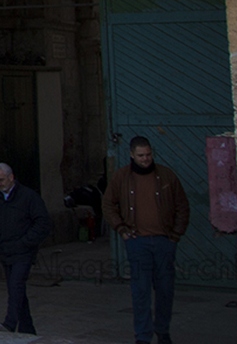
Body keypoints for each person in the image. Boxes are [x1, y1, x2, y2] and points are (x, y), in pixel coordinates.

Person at [103, 136, 189, 344]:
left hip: (164, 240)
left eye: (148, 155)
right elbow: (108, 205)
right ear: (132, 155)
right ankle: (143, 336)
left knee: (165, 290)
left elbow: (182, 206)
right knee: (140, 291)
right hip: (137, 241)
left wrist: (175, 235)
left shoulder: (166, 176)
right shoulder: (121, 177)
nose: (145, 159)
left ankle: (163, 331)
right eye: (141, 155)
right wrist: (121, 229)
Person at [0, 163, 52, 334]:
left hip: (23, 251)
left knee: (16, 285)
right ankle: (27, 329)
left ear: (11, 177)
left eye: (1, 180)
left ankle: (9, 323)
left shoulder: (28, 197)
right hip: (4, 250)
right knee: (16, 288)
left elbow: (43, 223)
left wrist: (26, 242)